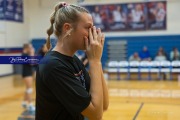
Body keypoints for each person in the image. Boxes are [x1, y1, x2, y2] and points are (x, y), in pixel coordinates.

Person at [35, 2, 109, 120]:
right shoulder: (53, 66)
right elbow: (96, 115)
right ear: (67, 28)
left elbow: (103, 105)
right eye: (88, 28)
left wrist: (97, 60)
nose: (92, 34)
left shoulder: (73, 59)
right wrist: (95, 62)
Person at [21, 43, 35, 112]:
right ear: (26, 48)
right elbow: (32, 63)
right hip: (27, 74)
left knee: (27, 89)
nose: (31, 48)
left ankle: (24, 102)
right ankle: (30, 105)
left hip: (28, 73)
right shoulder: (25, 55)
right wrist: (32, 53)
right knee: (30, 89)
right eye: (30, 47)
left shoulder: (25, 54)